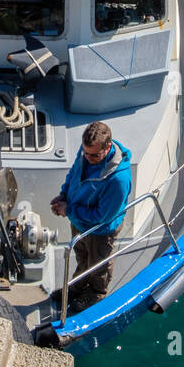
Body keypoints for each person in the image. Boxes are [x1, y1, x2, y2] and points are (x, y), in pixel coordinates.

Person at [49, 121, 132, 311]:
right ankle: (78, 286)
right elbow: (74, 174)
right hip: (78, 221)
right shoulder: (87, 151)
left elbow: (102, 216)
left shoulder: (118, 179)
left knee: (98, 263)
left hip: (100, 231)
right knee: (82, 256)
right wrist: (63, 195)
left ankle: (96, 293)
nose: (88, 158)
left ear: (108, 147)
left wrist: (68, 209)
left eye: (94, 155)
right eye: (85, 153)